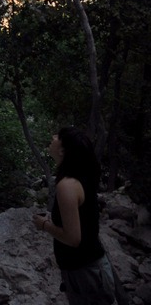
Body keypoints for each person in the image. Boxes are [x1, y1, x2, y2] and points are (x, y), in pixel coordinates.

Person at [33, 128, 116, 305]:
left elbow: (73, 238)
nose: (53, 137)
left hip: (86, 273)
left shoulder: (67, 185)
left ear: (63, 151)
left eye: (58, 137)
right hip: (88, 269)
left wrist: (45, 225)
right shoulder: (80, 176)